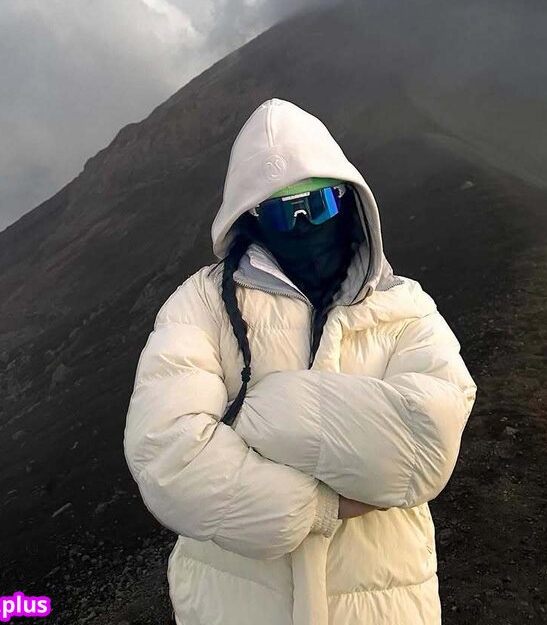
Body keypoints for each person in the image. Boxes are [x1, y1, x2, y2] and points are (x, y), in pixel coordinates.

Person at [124, 97, 477, 624]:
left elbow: (425, 448)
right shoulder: (200, 304)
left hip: (380, 605)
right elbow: (168, 458)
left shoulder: (405, 307)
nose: (305, 223)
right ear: (250, 216)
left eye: (320, 203)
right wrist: (323, 507)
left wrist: (260, 413)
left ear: (349, 200)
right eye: (281, 212)